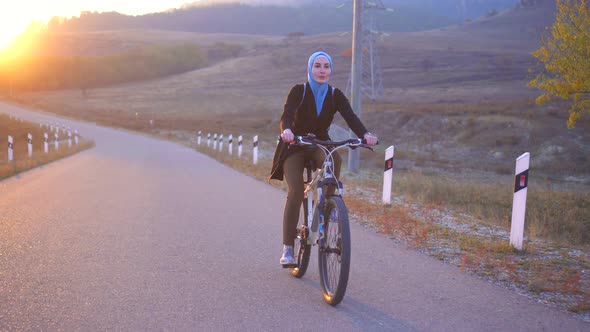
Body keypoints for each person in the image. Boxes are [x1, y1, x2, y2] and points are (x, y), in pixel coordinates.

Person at [269, 51, 378, 265]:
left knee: (334, 159)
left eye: (326, 66)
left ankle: (326, 207)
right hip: (295, 146)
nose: (322, 70)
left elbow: (350, 116)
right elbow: (287, 114)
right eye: (317, 66)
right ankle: (288, 249)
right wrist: (287, 131)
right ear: (310, 68)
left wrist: (364, 134)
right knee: (296, 192)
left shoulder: (334, 94)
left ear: (330, 70)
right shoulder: (298, 91)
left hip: (320, 144)